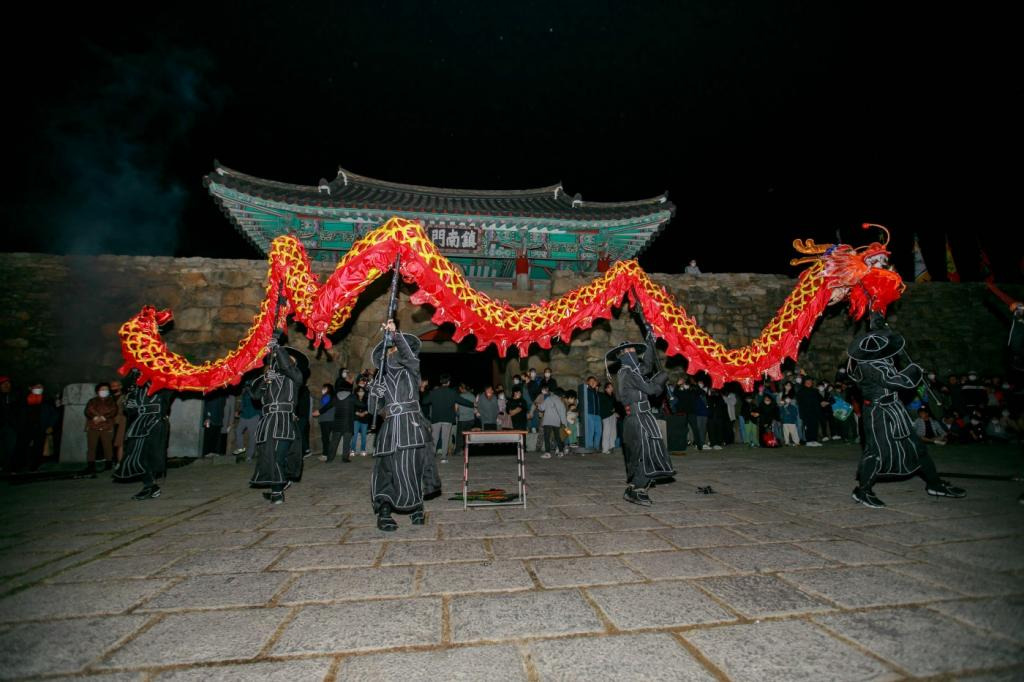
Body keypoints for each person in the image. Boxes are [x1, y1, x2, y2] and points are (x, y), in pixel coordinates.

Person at [848, 315, 965, 508]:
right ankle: (863, 491)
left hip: (894, 408)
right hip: (879, 413)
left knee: (917, 448)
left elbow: (879, 336)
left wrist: (878, 319)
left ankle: (935, 484)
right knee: (877, 452)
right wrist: (914, 370)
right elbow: (898, 382)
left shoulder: (878, 357)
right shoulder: (869, 365)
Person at [368, 320, 434, 531]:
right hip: (389, 429)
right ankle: (385, 511)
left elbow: (408, 357)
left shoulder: (412, 371)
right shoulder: (381, 378)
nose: (393, 353)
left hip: (410, 425)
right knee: (386, 470)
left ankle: (416, 506)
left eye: (396, 349)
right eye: (390, 350)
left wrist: (395, 335)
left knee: (411, 469)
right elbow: (374, 409)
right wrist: (374, 395)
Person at [608, 328, 674, 506]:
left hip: (642, 417)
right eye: (629, 352)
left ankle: (633, 488)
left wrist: (650, 342)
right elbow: (651, 389)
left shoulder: (632, 371)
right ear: (622, 355)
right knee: (646, 454)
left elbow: (647, 365)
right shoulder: (627, 373)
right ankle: (637, 489)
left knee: (644, 453)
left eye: (633, 352)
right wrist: (660, 379)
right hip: (637, 419)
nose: (632, 354)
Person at [249, 336, 304, 505]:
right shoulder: (268, 377)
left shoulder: (294, 378)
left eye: (290, 360)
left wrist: (278, 349)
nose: (287, 362)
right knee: (268, 456)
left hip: (283, 421)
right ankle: (277, 486)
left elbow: (287, 366)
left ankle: (278, 491)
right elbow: (255, 395)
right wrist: (265, 380)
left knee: (278, 455)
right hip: (267, 422)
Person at [114, 370, 173, 499]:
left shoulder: (162, 383)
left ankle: (150, 486)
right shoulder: (135, 387)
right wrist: (130, 405)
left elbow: (165, 398)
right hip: (139, 422)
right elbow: (129, 407)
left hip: (154, 422)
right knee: (136, 455)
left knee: (149, 454)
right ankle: (149, 485)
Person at [421, 374, 474, 460]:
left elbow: (424, 402)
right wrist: (472, 404)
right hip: (447, 418)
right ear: (448, 382)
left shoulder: (434, 392)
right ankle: (443, 457)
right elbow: (462, 401)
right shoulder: (452, 392)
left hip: (436, 418)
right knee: (445, 438)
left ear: (441, 382)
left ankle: (432, 456)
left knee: (434, 438)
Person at [84, 383, 118, 475]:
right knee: (91, 446)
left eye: (106, 389)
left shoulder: (111, 401)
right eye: (102, 389)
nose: (104, 391)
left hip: (107, 426)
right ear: (97, 391)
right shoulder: (92, 401)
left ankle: (108, 464)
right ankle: (91, 465)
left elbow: (113, 411)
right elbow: (88, 411)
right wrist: (94, 417)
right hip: (93, 425)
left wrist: (103, 418)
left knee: (107, 446)